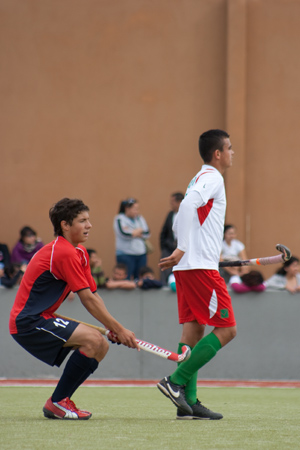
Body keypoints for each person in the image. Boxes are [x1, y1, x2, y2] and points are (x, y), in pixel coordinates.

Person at [9, 198, 138, 420]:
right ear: (65, 225)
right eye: (82, 220)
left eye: (89, 220)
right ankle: (57, 403)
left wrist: (113, 327)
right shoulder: (63, 252)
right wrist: (120, 328)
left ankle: (61, 401)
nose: (89, 225)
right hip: (28, 322)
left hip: (43, 317)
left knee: (101, 346)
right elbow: (86, 299)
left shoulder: (80, 253)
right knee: (94, 340)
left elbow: (94, 295)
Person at [157, 129, 236, 420]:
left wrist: (189, 249)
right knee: (227, 330)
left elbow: (183, 220)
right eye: (229, 148)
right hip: (199, 267)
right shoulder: (213, 177)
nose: (232, 153)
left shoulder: (200, 178)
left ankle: (187, 403)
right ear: (218, 153)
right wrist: (185, 248)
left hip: (192, 266)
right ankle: (175, 381)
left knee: (193, 331)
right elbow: (188, 207)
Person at [113, 198, 150, 280]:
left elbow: (147, 233)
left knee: (140, 279)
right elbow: (124, 234)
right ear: (127, 209)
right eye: (134, 209)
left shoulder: (140, 218)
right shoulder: (119, 219)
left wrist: (134, 232)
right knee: (126, 278)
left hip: (141, 254)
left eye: (137, 209)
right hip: (126, 254)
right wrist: (139, 230)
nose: (137, 211)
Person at [159, 192, 184, 285]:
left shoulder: (188, 213)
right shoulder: (170, 214)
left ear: (179, 202)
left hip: (183, 249)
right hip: (169, 248)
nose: (171, 204)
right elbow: (163, 232)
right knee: (166, 268)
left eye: (172, 202)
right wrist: (164, 247)